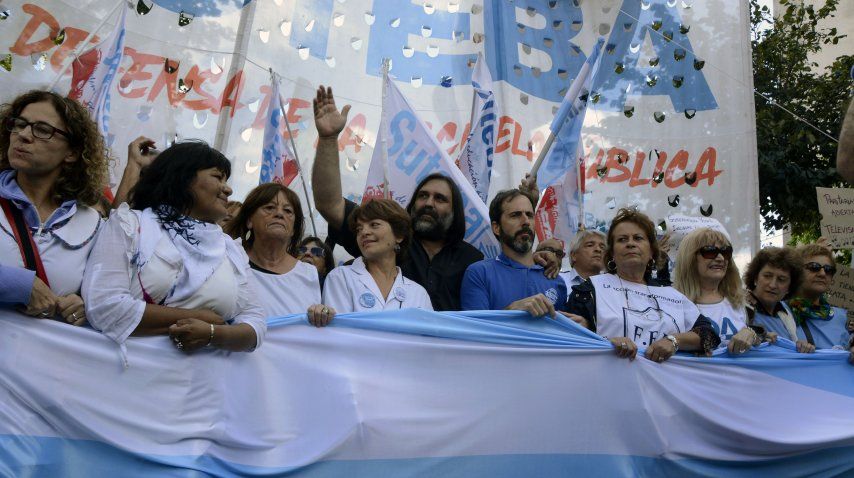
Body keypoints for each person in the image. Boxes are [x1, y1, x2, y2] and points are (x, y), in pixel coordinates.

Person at [311, 85, 563, 310]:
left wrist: (540, 260)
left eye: (440, 199)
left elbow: (511, 258)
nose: (429, 203)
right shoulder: (386, 239)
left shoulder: (472, 260)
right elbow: (328, 204)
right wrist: (328, 139)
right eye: (422, 196)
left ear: (455, 212)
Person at [82, 141, 265, 353]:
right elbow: (103, 305)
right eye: (217, 177)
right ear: (183, 178)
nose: (228, 189)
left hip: (203, 384)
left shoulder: (231, 250)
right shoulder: (129, 225)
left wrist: (213, 335)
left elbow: (256, 324)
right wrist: (198, 318)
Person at [0, 90, 109, 326]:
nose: (24, 135)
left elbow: (106, 295)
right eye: (19, 124)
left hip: (41, 359)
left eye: (42, 130)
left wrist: (83, 304)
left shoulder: (94, 225)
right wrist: (18, 284)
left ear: (71, 153)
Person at [566, 208, 720, 362]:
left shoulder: (671, 294)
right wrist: (605, 342)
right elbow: (568, 341)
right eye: (622, 239)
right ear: (612, 253)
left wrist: (674, 341)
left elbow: (709, 335)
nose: (630, 243)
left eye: (638, 238)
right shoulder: (588, 291)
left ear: (652, 251)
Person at [461, 189, 585, 325]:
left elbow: (561, 336)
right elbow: (475, 333)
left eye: (530, 215)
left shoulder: (555, 280)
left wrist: (583, 327)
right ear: (496, 227)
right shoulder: (479, 273)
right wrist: (511, 311)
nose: (526, 221)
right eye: (515, 215)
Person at [310, 199, 432, 326]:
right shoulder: (341, 277)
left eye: (374, 225)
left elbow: (426, 342)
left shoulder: (419, 294)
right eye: (359, 229)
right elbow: (340, 334)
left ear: (399, 235)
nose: (364, 232)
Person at [224, 183, 321, 317]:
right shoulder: (230, 258)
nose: (280, 214)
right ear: (249, 220)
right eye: (269, 208)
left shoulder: (309, 274)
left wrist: (323, 314)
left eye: (288, 211)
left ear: (294, 229)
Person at [673, 228, 765, 354]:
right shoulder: (672, 305)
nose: (720, 258)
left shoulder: (738, 303)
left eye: (725, 252)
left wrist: (751, 333)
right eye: (710, 251)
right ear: (690, 259)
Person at [742, 247, 814, 353]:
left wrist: (800, 345)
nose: (772, 285)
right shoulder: (737, 306)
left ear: (790, 287)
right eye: (767, 276)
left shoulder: (786, 313)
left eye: (781, 279)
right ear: (755, 278)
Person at [785, 244, 851, 349]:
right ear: (796, 272)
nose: (822, 273)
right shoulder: (779, 311)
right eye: (814, 267)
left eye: (828, 269)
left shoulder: (841, 317)